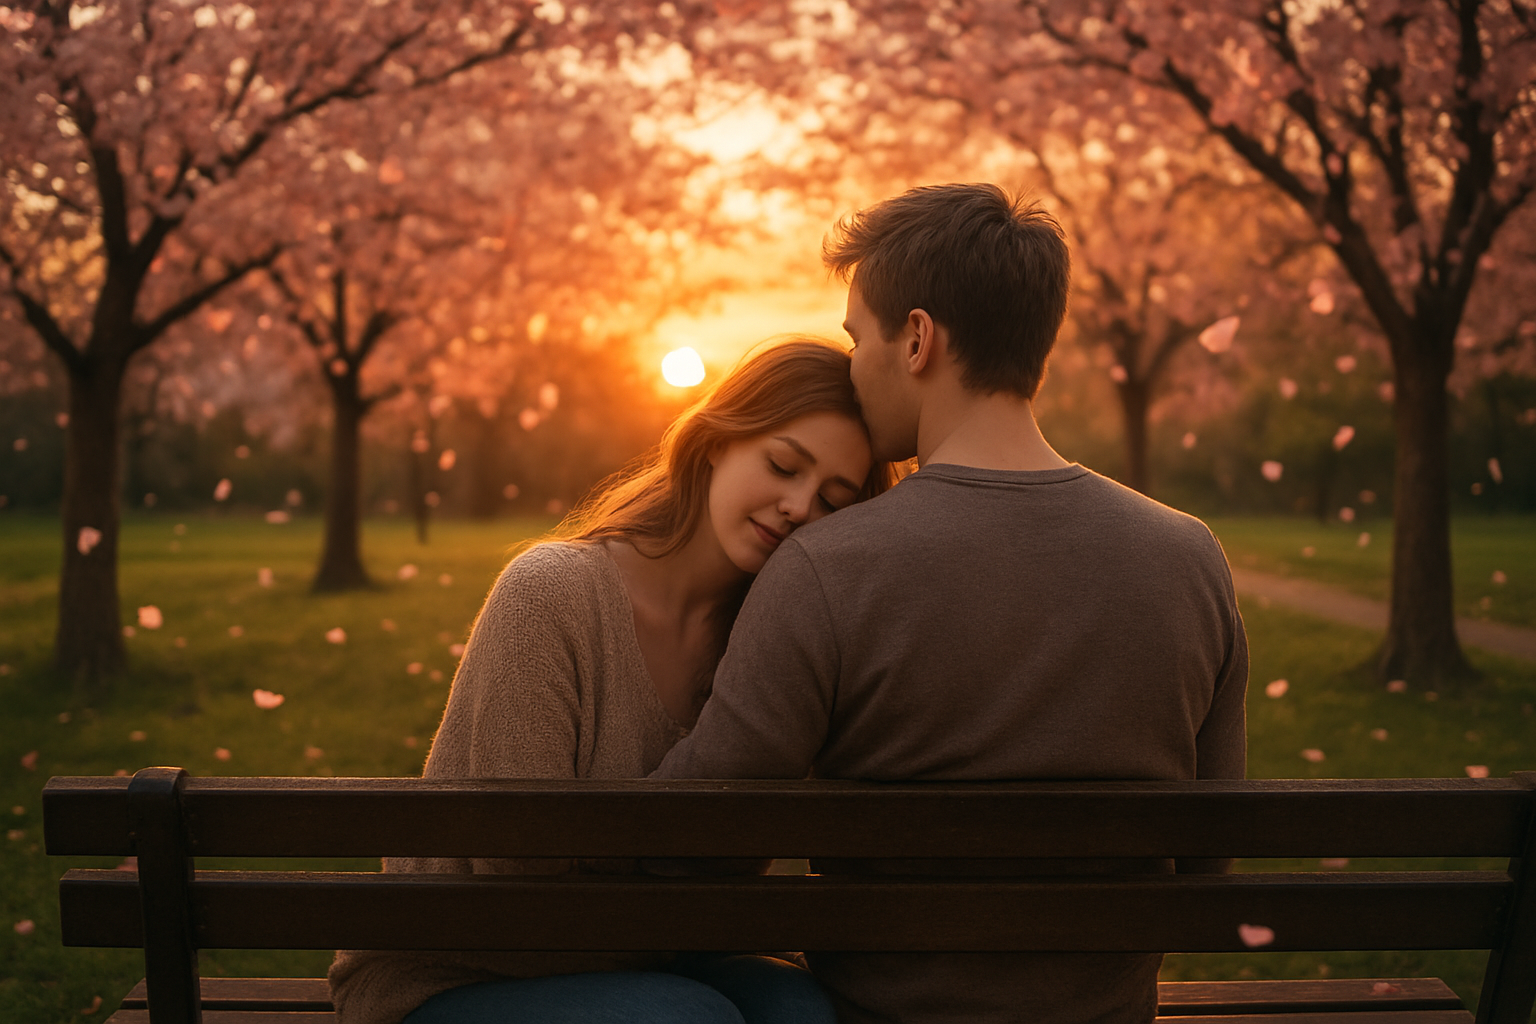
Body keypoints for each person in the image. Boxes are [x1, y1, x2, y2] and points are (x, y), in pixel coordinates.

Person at [653, 183, 1249, 1024]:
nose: (853, 364)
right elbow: (1207, 861)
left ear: (919, 339)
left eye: (859, 336)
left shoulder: (828, 568)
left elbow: (692, 845)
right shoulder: (1189, 558)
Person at [328, 339, 895, 1024]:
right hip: (454, 974)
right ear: (716, 442)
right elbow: (523, 862)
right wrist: (674, 849)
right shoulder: (551, 594)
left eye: (833, 500)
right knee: (688, 1017)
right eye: (782, 465)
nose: (798, 506)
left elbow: (738, 859)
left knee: (798, 1009)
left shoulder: (772, 641)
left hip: (649, 959)